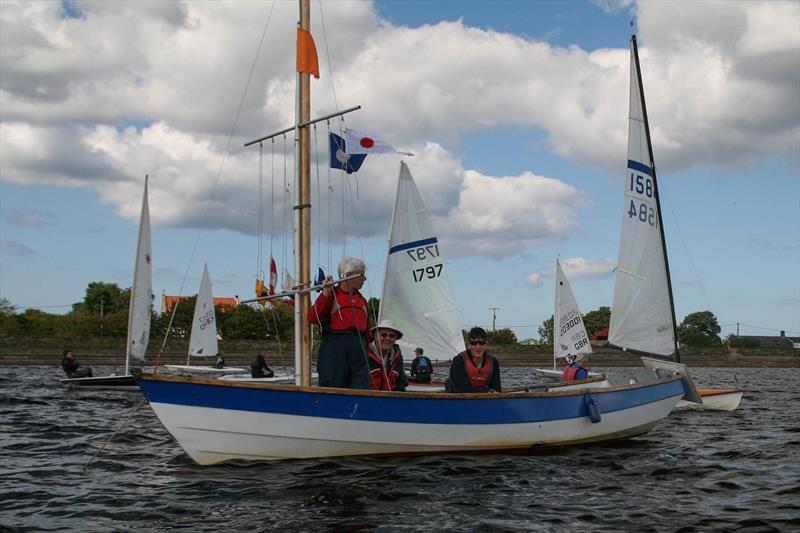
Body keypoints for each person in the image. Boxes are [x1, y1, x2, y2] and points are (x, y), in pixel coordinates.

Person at [308, 256, 370, 389]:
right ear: (348, 275)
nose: (365, 279)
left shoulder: (362, 301)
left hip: (359, 348)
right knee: (334, 387)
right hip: (334, 348)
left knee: (361, 388)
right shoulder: (331, 295)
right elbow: (313, 318)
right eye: (362, 275)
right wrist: (325, 294)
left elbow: (368, 332)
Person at [446, 327, 501, 393]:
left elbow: (497, 388)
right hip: (460, 398)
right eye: (474, 343)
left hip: (485, 398)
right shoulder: (458, 360)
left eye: (481, 343)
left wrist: (491, 392)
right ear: (468, 346)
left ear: (486, 345)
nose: (478, 347)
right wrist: (486, 392)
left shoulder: (493, 362)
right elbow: (462, 388)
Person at [366, 320, 408, 391]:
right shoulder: (364, 352)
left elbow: (402, 380)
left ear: (395, 339)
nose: (388, 338)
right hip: (368, 398)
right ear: (376, 336)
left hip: (391, 398)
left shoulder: (397, 355)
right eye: (384, 335)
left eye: (392, 336)